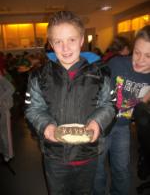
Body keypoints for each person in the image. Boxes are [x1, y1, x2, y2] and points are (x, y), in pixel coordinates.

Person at [25, 10, 116, 195]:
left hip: (88, 155)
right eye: (58, 41)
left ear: (81, 40)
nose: (65, 48)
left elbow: (109, 104)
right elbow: (33, 108)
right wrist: (45, 126)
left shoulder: (100, 73)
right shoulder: (38, 76)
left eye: (71, 40)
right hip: (55, 156)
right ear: (51, 44)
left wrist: (97, 122)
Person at [94, 25, 150, 195]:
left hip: (122, 127)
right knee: (97, 170)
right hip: (101, 124)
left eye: (148, 56)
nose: (139, 60)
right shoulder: (117, 63)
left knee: (122, 170)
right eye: (137, 52)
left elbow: (143, 102)